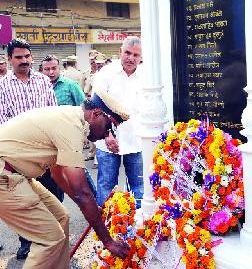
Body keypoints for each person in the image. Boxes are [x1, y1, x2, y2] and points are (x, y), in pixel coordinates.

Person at [0, 99, 130, 269]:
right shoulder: (71, 126)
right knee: (50, 239)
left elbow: (58, 174)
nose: (108, 134)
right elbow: (82, 192)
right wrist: (108, 241)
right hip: (6, 177)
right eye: (109, 127)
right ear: (96, 114)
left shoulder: (71, 118)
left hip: (17, 174)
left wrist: (89, 208)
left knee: (61, 217)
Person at [0, 38, 61, 260]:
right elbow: (2, 120)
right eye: (18, 57)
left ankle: (54, 238)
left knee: (51, 195)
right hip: (17, 155)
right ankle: (27, 242)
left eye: (27, 56)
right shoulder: (3, 86)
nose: (24, 61)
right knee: (24, 200)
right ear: (9, 59)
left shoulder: (44, 81)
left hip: (45, 150)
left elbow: (53, 113)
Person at [94, 36, 144, 208]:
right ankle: (104, 228)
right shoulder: (105, 73)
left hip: (136, 141)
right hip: (107, 141)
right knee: (107, 186)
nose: (131, 58)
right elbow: (95, 107)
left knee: (139, 187)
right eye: (127, 53)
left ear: (141, 57)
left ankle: (138, 225)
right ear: (120, 52)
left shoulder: (146, 76)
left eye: (135, 55)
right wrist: (107, 135)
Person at [41, 55, 96, 195]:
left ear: (60, 68)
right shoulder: (38, 87)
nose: (51, 72)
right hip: (47, 142)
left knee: (80, 176)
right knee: (54, 179)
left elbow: (85, 109)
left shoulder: (70, 85)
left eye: (54, 68)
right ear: (42, 70)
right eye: (47, 69)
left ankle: (99, 207)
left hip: (69, 140)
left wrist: (84, 133)